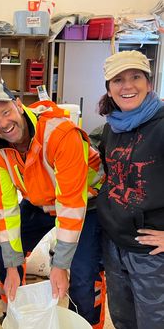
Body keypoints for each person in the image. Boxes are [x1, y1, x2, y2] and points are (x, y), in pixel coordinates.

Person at [0, 82, 106, 328]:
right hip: (42, 201)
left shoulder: (60, 134)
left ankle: (89, 323)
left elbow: (71, 203)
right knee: (7, 254)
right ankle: (14, 314)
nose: (2, 124)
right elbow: (5, 207)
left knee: (82, 272)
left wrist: (60, 265)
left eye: (5, 112)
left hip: (87, 202)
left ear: (18, 105)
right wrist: (13, 264)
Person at [96, 50, 164, 329]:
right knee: (123, 319)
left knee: (153, 322)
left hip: (150, 252)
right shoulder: (112, 128)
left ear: (149, 83)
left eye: (135, 77)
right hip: (114, 243)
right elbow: (109, 176)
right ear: (109, 90)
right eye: (118, 80)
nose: (127, 86)